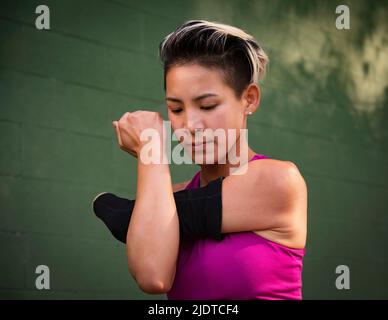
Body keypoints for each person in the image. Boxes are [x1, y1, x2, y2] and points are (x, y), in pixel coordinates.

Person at [93, 20, 308, 300]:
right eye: (176, 108)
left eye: (207, 106)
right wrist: (152, 152)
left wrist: (131, 210)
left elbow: (152, 227)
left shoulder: (278, 180)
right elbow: (152, 275)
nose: (190, 124)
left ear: (250, 99)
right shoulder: (169, 196)